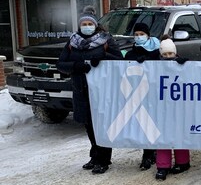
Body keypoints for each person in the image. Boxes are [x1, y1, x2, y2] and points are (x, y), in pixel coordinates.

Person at [57, 11, 123, 174]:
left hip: (102, 91)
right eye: (84, 24)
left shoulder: (106, 40)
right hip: (81, 89)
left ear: (95, 25)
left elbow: (120, 61)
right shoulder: (73, 42)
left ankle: (104, 159)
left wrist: (103, 56)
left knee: (101, 123)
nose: (87, 27)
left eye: (90, 24)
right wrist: (76, 66)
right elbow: (61, 64)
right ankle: (95, 155)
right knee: (88, 124)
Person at [124, 22, 161, 170]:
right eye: (136, 34)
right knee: (143, 125)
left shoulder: (157, 51)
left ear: (148, 36)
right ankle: (148, 154)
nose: (139, 37)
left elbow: (167, 62)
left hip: (154, 92)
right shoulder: (130, 53)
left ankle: (151, 153)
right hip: (137, 93)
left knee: (152, 123)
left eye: (142, 34)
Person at [155, 38, 191, 180]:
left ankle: (183, 162)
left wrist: (187, 65)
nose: (168, 57)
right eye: (165, 54)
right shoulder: (155, 66)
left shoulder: (182, 65)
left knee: (179, 133)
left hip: (179, 105)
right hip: (161, 105)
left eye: (171, 54)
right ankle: (163, 165)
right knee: (162, 134)